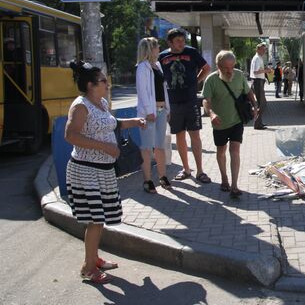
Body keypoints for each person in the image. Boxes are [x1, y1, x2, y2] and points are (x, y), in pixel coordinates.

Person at [64, 61, 145, 284]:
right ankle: (88, 267)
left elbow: (111, 124)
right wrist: (105, 147)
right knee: (95, 220)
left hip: (103, 171)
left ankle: (94, 258)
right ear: (90, 85)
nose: (107, 84)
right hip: (86, 171)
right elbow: (71, 136)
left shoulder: (99, 102)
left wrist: (134, 123)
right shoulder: (80, 105)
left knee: (99, 219)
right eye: (102, 81)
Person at [202, 50, 259, 199]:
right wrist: (211, 114)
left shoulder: (239, 75)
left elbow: (249, 92)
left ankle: (234, 185)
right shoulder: (211, 80)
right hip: (219, 123)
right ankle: (224, 178)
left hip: (236, 121)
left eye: (232, 66)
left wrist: (255, 105)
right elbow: (206, 100)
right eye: (226, 67)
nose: (230, 70)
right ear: (218, 66)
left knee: (235, 150)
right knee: (221, 151)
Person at [158, 28, 212, 183]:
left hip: (190, 100)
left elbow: (206, 68)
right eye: (178, 41)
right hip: (173, 102)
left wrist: (196, 81)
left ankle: (200, 171)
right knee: (179, 135)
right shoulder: (162, 57)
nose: (181, 44)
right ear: (170, 42)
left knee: (195, 134)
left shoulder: (192, 52)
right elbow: (159, 79)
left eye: (183, 40)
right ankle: (186, 169)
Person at [136, 37, 171, 193]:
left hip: (161, 110)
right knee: (146, 148)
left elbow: (163, 89)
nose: (159, 49)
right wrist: (149, 112)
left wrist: (167, 109)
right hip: (149, 113)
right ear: (150, 49)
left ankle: (163, 177)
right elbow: (142, 91)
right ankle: (148, 180)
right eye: (157, 46)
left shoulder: (157, 66)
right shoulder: (142, 67)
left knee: (160, 146)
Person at [250, 43, 271, 130]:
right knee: (262, 104)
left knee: (261, 103)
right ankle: (257, 123)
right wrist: (266, 70)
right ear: (258, 49)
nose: (264, 51)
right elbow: (256, 72)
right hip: (257, 82)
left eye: (265, 50)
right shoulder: (257, 58)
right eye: (262, 49)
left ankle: (259, 123)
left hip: (259, 82)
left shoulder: (259, 58)